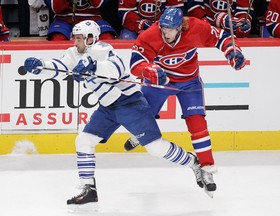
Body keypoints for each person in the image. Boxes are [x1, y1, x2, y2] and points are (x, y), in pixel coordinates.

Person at [23, 20, 212, 212]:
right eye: (75, 38)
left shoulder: (102, 48)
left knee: (155, 148)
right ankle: (89, 190)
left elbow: (116, 69)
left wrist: (93, 67)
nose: (75, 42)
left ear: (91, 38)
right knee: (84, 140)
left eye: (79, 38)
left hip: (129, 103)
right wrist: (40, 65)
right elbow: (60, 65)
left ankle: (193, 162)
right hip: (108, 107)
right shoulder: (74, 53)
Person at [124, 6, 246, 193]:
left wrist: (232, 53)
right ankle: (138, 134)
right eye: (163, 27)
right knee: (142, 117)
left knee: (197, 124)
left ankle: (206, 168)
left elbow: (222, 37)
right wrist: (147, 70)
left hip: (189, 83)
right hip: (161, 82)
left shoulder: (197, 27)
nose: (166, 32)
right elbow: (135, 62)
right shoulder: (150, 35)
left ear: (180, 27)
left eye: (170, 28)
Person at [44, 0, 117, 40]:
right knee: (58, 38)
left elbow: (100, 3)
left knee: (107, 37)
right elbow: (54, 7)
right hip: (64, 19)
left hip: (93, 18)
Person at [118, 0, 185, 39]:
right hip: (135, 27)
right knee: (127, 38)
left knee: (174, 36)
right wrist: (142, 24)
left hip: (164, 26)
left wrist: (163, 24)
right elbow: (124, 13)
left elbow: (176, 12)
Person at [185, 0, 253, 38]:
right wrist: (205, 23)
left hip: (230, 33)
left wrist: (242, 26)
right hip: (204, 32)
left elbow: (243, 13)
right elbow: (194, 6)